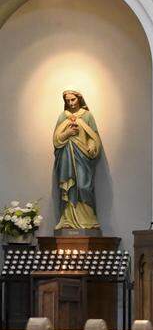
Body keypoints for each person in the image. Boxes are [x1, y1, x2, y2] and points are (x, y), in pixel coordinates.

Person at [52, 90, 103, 231]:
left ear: (79, 99)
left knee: (83, 186)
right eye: (67, 100)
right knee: (69, 187)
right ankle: (68, 219)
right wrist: (67, 133)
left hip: (82, 156)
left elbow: (94, 136)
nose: (70, 103)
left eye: (73, 99)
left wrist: (92, 145)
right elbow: (56, 140)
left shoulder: (87, 116)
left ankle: (88, 219)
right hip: (66, 157)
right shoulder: (63, 116)